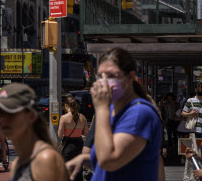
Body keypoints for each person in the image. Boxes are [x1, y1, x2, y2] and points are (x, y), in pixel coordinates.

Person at [66, 47, 162, 181]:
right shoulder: (112, 111)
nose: (104, 82)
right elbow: (125, 162)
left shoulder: (140, 113)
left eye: (111, 76)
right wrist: (84, 159)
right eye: (100, 75)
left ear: (130, 77)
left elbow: (109, 160)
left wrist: (101, 109)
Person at [0, 83, 68, 181]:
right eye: (0, 113)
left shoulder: (45, 159)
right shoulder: (18, 162)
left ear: (31, 116)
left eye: (10, 113)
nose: (3, 119)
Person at [58, 95, 89, 181]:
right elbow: (86, 133)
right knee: (78, 171)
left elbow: (60, 135)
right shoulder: (82, 117)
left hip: (68, 145)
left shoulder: (63, 118)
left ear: (66, 105)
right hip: (79, 145)